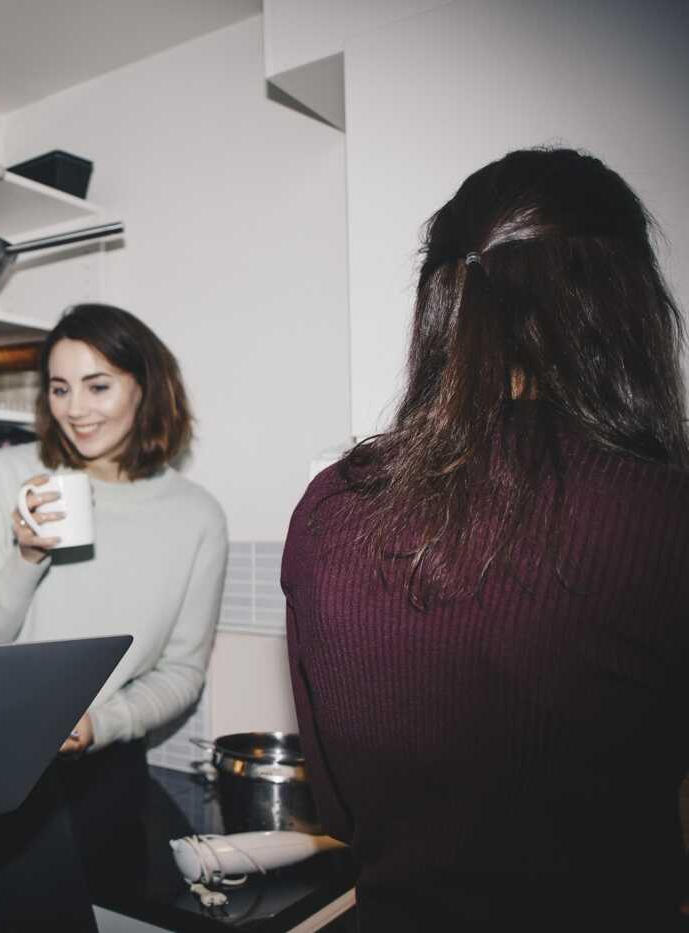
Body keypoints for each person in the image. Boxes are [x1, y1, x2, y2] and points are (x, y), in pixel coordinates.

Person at [282, 148, 689, 932]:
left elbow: (335, 802)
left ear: (442, 300)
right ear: (625, 302)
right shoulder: (665, 515)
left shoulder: (330, 504)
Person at [0, 303, 228, 930]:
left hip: (108, 772)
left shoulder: (196, 516)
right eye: (60, 388)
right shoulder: (12, 473)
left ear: (146, 386)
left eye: (98, 386)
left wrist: (103, 722)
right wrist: (26, 556)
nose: (76, 409)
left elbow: (181, 671)